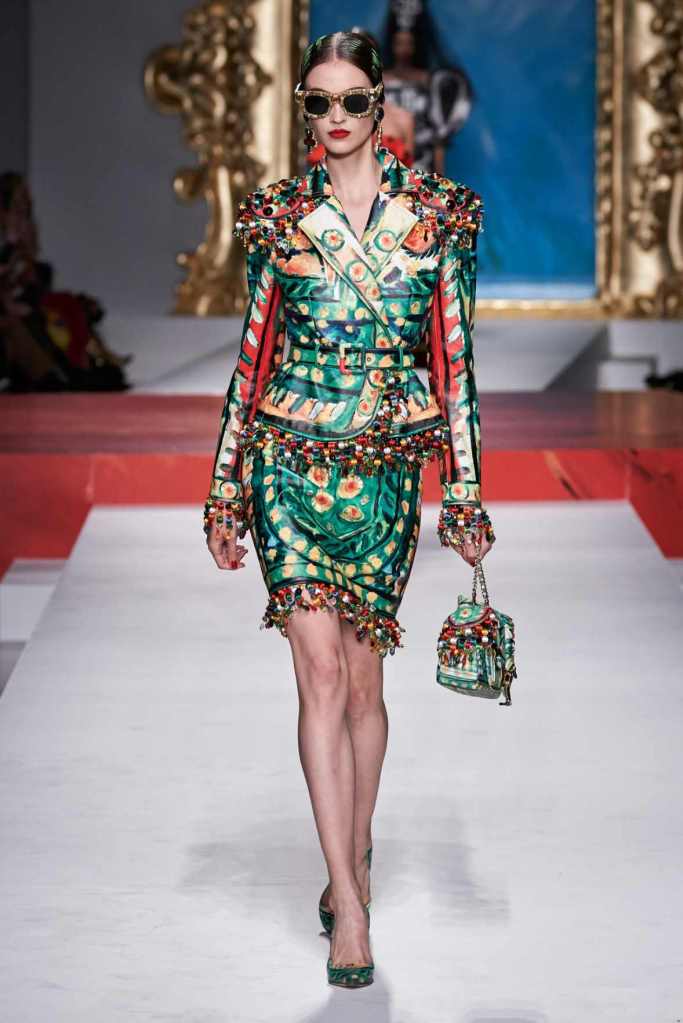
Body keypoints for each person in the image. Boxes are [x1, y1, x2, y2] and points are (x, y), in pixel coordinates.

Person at [204, 30, 495, 989]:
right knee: (320, 676)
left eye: (351, 101)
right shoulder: (275, 216)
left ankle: (354, 853)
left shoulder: (440, 216)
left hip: (383, 472)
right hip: (286, 461)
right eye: (317, 102)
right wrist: (224, 483)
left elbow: (454, 362)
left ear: (381, 106)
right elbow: (252, 353)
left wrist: (464, 487)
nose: (334, 118)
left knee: (365, 685)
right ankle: (349, 904)